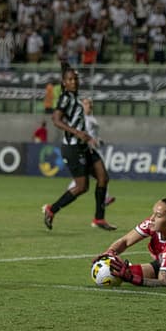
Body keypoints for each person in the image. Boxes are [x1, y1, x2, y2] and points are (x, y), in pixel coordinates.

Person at [42, 63, 116, 231]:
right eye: (70, 79)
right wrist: (77, 132)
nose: (74, 82)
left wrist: (85, 135)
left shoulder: (75, 98)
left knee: (103, 177)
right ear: (64, 82)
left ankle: (99, 219)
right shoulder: (65, 98)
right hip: (72, 148)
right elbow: (56, 120)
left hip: (84, 146)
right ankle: (51, 209)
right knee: (82, 186)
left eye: (75, 78)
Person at [94, 198, 166, 287]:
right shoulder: (153, 224)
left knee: (121, 273)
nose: (152, 218)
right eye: (153, 213)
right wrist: (110, 252)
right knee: (118, 270)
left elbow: (164, 282)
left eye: (158, 215)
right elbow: (125, 241)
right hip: (162, 257)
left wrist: (132, 278)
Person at [66, 98, 115, 206]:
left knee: (93, 175)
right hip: (86, 151)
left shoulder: (91, 118)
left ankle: (70, 191)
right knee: (99, 175)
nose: (90, 105)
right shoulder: (81, 119)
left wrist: (98, 140)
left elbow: (94, 135)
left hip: (94, 150)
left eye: (91, 103)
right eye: (87, 103)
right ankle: (104, 198)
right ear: (82, 105)